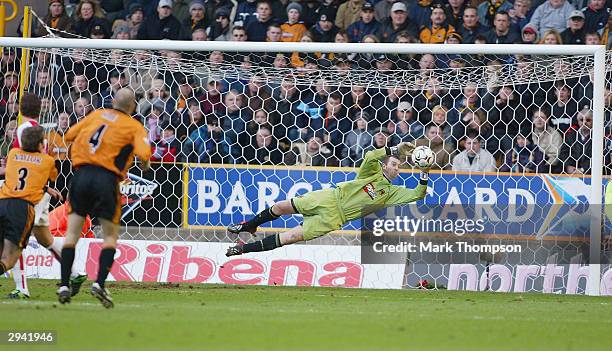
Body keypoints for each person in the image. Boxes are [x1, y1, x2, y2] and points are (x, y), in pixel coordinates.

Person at [225, 142, 429, 256]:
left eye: (399, 165)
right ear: (385, 165)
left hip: (334, 218)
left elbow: (417, 194)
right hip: (329, 197)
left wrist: (424, 172)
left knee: (290, 237)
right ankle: (249, 226)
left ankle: (242, 249)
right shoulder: (372, 172)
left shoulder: (392, 192)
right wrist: (393, 150)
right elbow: (369, 156)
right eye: (393, 163)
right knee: (281, 206)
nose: (396, 167)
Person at [57, 89, 152, 308]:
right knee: (109, 237)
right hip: (106, 180)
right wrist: (144, 165)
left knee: (71, 234)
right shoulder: (133, 126)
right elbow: (144, 155)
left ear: (113, 102)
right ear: (133, 107)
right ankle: (99, 283)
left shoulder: (96, 115)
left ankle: (63, 285)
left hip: (80, 176)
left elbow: (70, 135)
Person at [7, 94, 86, 300]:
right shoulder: (37, 128)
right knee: (45, 239)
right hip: (37, 190)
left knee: (16, 238)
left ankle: (21, 288)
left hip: (27, 194)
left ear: (19, 108)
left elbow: (24, 164)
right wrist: (47, 188)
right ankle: (76, 273)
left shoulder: (24, 129)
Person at [0, 127, 60, 283]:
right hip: (22, 208)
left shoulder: (13, 154)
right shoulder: (47, 161)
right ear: (41, 144)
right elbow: (53, 176)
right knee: (9, 259)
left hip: (2, 203)